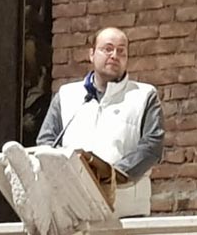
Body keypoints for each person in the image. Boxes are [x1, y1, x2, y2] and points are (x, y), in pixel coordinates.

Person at [36, 27, 165, 216]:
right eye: (108, 49)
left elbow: (151, 147)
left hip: (126, 209)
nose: (114, 55)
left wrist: (109, 176)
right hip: (74, 209)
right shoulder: (67, 95)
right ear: (91, 54)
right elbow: (46, 144)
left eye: (121, 51)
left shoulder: (144, 95)